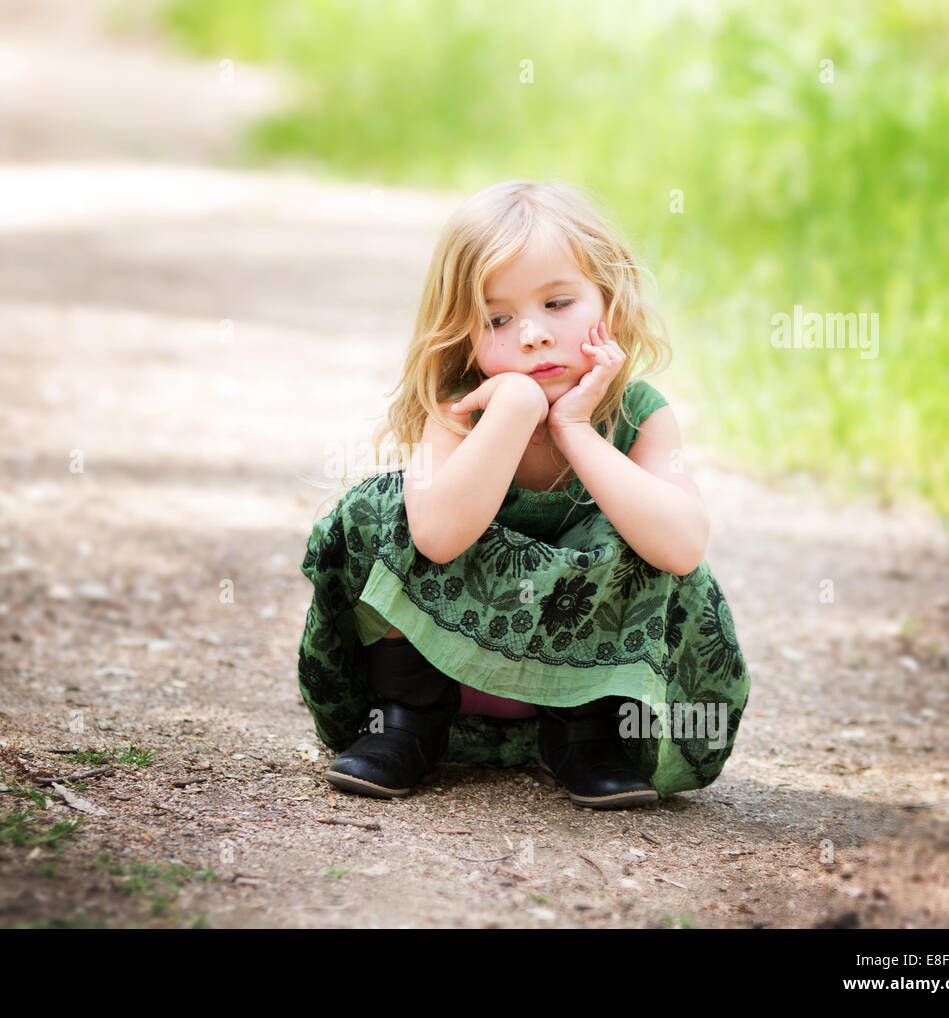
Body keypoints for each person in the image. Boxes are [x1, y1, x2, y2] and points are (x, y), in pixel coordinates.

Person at [296, 178, 750, 809]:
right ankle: (407, 722)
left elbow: (681, 548)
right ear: (464, 335)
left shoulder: (640, 414)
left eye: (558, 304)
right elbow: (435, 536)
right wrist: (513, 407)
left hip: (581, 681)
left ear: (609, 307)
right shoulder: (458, 409)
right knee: (381, 507)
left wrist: (575, 430)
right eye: (498, 319)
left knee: (636, 522)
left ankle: (582, 738)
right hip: (451, 673)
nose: (532, 334)